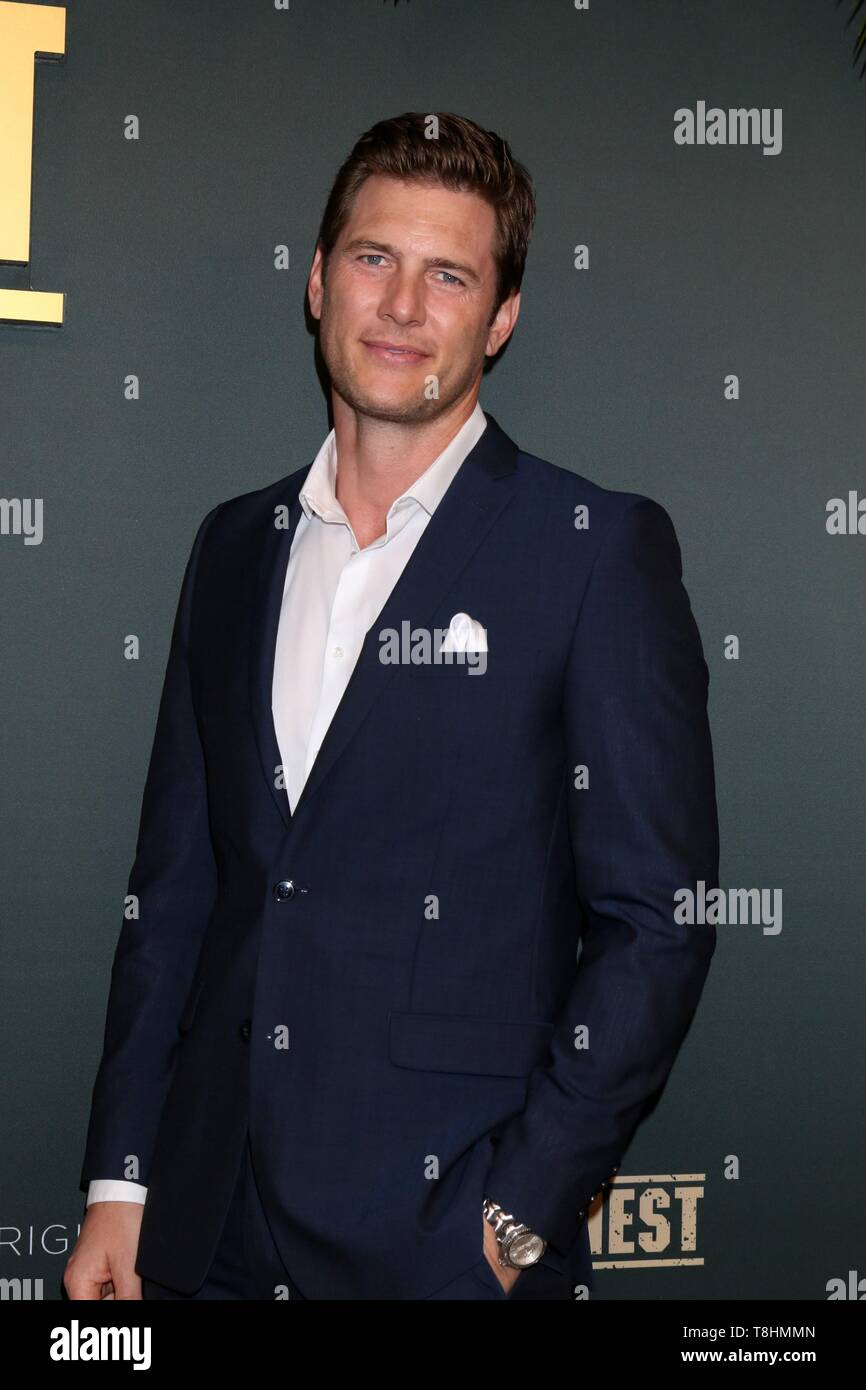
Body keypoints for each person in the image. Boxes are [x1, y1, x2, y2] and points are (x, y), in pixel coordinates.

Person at [64, 111, 719, 1301]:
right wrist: (122, 1186)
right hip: (200, 1228)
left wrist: (511, 1227)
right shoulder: (231, 546)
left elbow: (656, 922)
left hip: (439, 1244)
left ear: (501, 317)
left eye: (448, 274)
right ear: (317, 283)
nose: (402, 305)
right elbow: (173, 892)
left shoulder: (589, 552)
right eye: (373, 259)